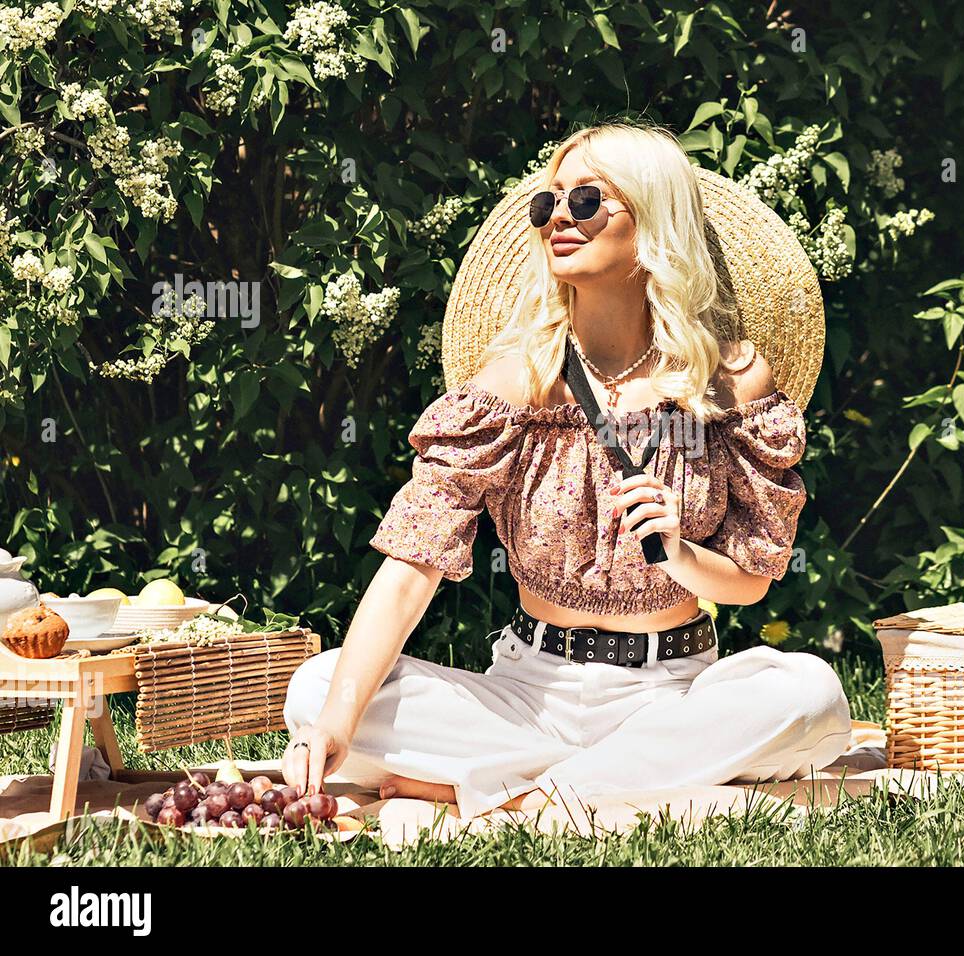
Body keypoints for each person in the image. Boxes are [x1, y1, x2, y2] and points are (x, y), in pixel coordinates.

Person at [281, 121, 852, 818]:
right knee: (315, 689)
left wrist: (679, 554)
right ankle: (592, 783)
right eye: (547, 203)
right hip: (527, 694)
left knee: (811, 694)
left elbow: (752, 584)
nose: (559, 217)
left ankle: (517, 790)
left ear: (652, 222)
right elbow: (411, 565)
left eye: (586, 201)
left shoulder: (727, 381)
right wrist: (335, 725)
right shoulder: (516, 383)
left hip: (671, 693)